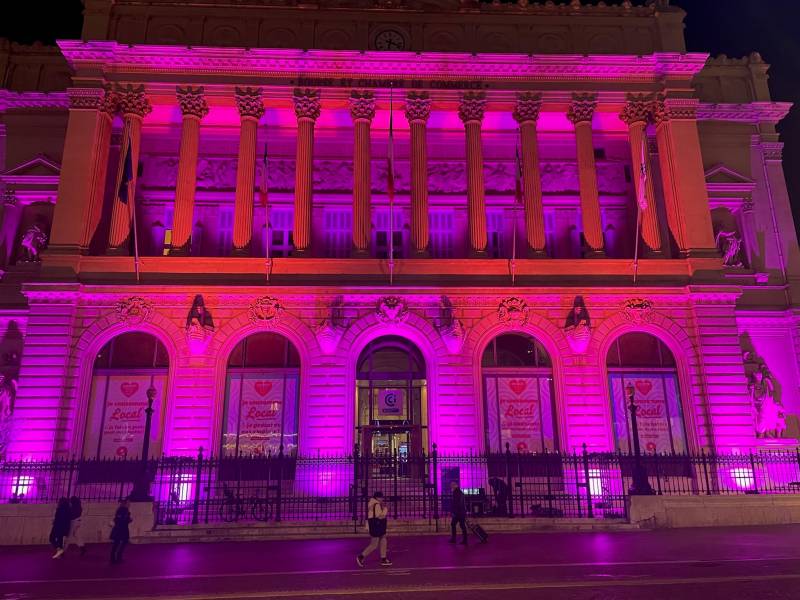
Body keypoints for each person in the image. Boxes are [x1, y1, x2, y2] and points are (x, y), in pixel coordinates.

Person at [356, 491, 392, 567]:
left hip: (374, 526)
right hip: (377, 526)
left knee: (383, 539)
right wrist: (386, 509)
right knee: (374, 544)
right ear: (377, 498)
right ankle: (361, 557)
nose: (382, 499)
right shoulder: (376, 505)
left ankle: (383, 558)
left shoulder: (372, 504)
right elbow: (380, 516)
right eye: (381, 498)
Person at [110, 498, 133, 565]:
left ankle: (114, 557)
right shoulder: (124, 510)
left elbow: (118, 518)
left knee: (117, 543)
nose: (129, 504)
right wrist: (129, 520)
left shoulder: (120, 509)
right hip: (122, 528)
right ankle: (117, 557)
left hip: (118, 528)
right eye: (128, 503)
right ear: (125, 503)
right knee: (122, 542)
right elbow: (124, 519)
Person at [449, 481, 468, 545]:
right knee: (460, 525)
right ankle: (464, 540)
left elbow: (456, 503)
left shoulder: (456, 492)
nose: (451, 487)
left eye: (451, 486)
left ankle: (455, 539)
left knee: (455, 524)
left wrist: (454, 512)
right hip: (461, 512)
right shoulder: (460, 492)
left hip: (458, 512)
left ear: (454, 486)